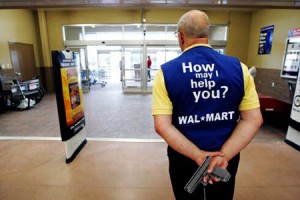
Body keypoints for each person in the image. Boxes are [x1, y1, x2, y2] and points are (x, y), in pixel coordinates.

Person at [152, 10, 263, 200]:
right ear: (207, 35)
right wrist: (224, 156)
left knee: (187, 196)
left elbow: (162, 125)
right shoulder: (239, 69)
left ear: (180, 36)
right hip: (224, 160)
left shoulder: (166, 73)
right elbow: (253, 119)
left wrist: (198, 155)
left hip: (184, 159)